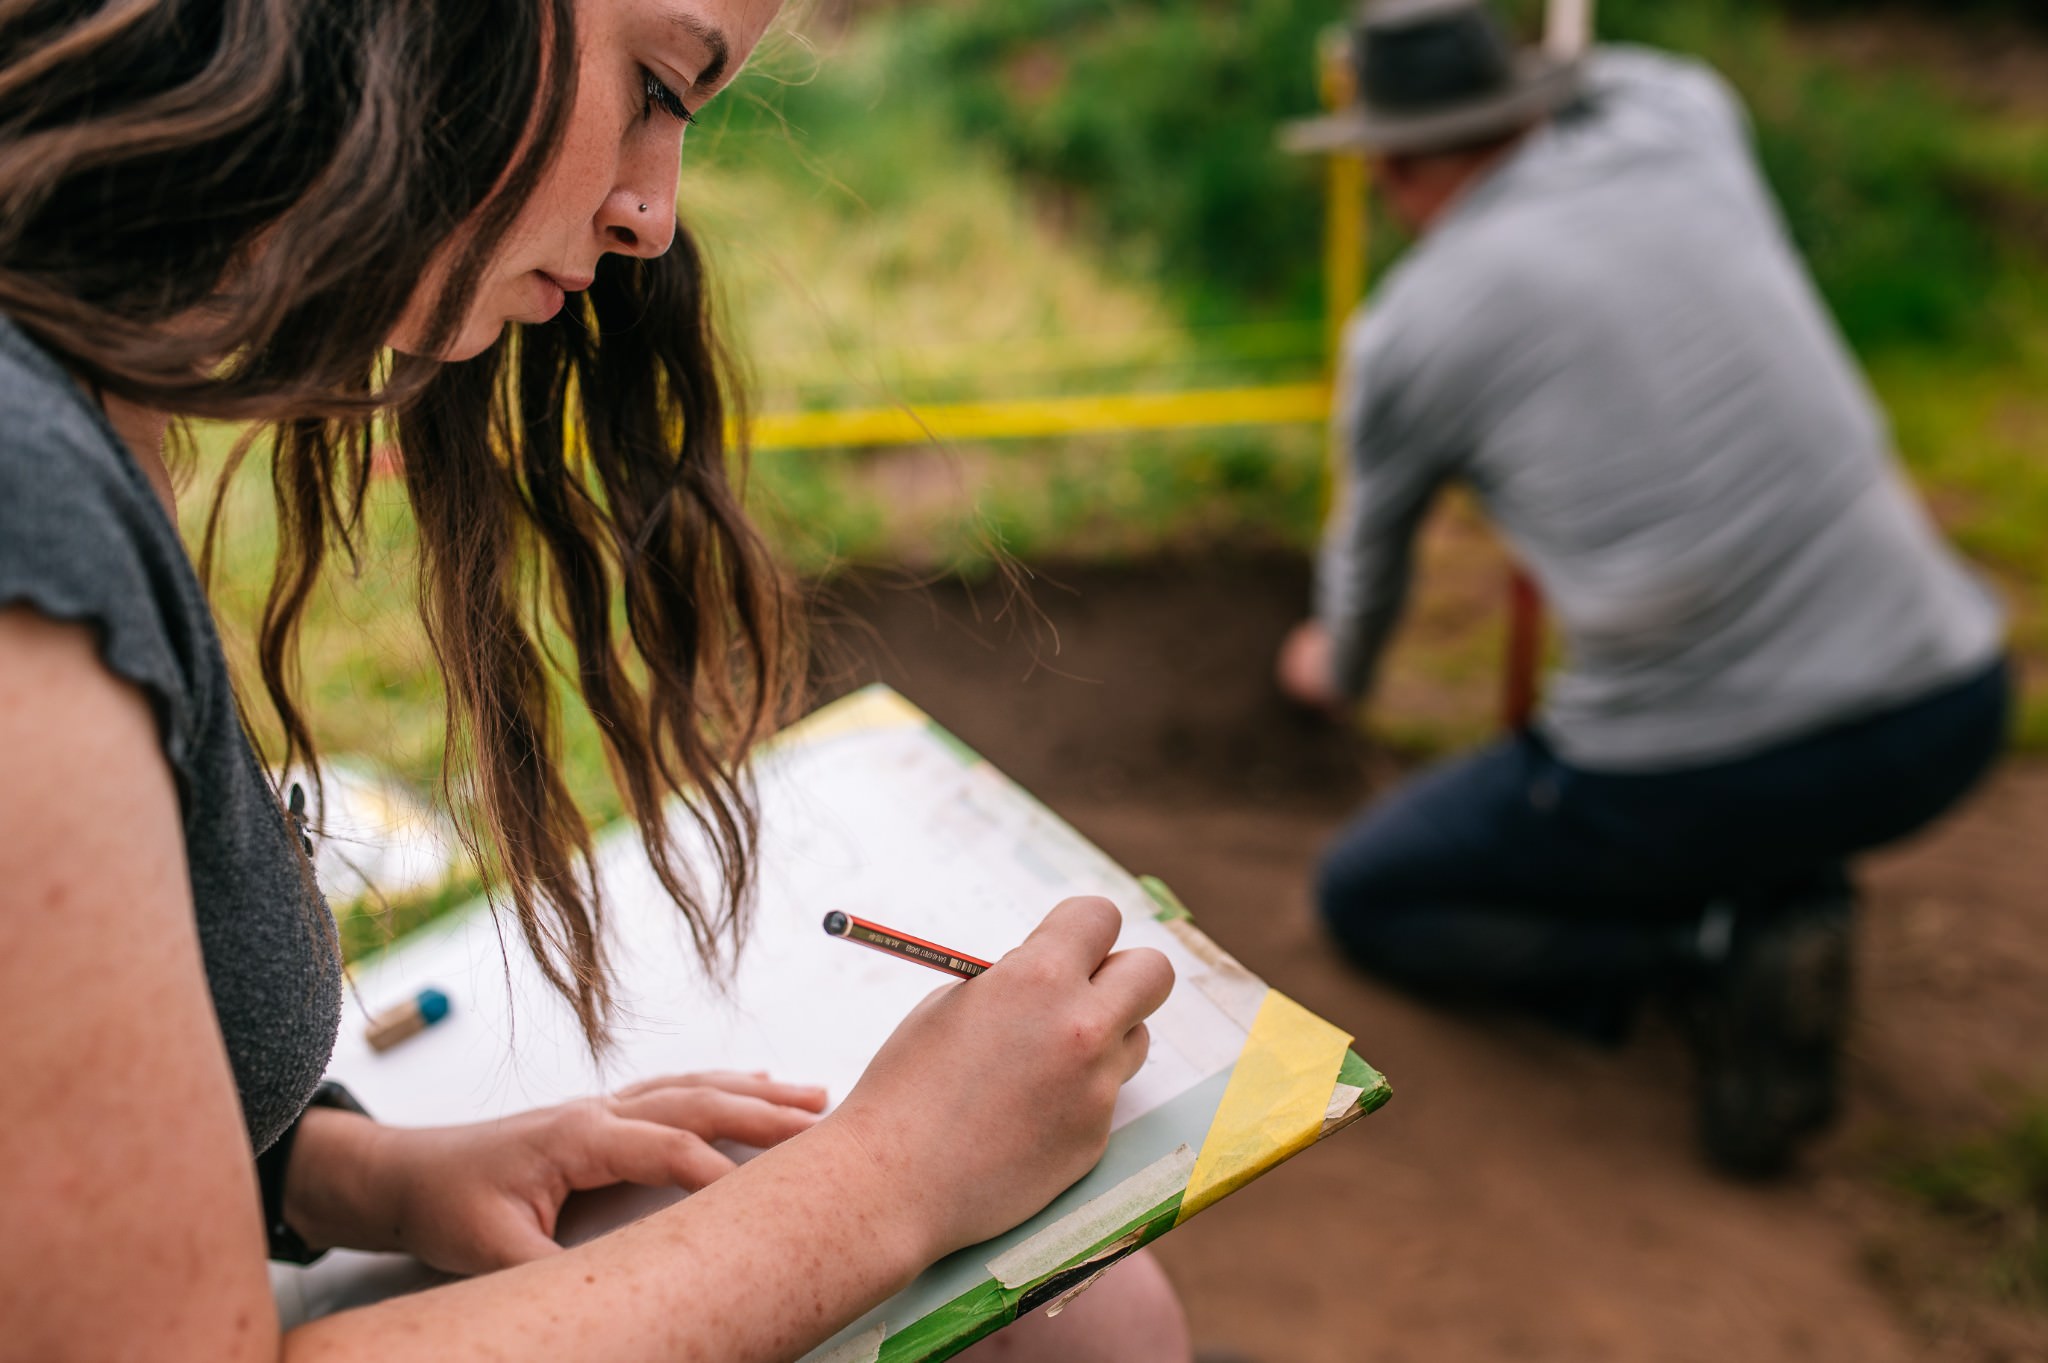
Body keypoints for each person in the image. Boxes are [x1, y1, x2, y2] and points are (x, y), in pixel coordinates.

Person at [0, 2, 1194, 1360]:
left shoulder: (81, 400)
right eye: (656, 87)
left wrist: (356, 1174)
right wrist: (896, 1173)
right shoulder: (23, 483)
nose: (653, 216)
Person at [1276, 0, 2009, 1176]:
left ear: (1390, 166)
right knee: (1755, 768)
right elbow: (1634, 72)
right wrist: (1539, 70)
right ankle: (1780, 884)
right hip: (1944, 707)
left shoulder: (1409, 332)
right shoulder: (1682, 132)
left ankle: (1706, 943)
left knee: (1369, 894)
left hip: (1696, 773)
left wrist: (1333, 669)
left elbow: (1370, 563)